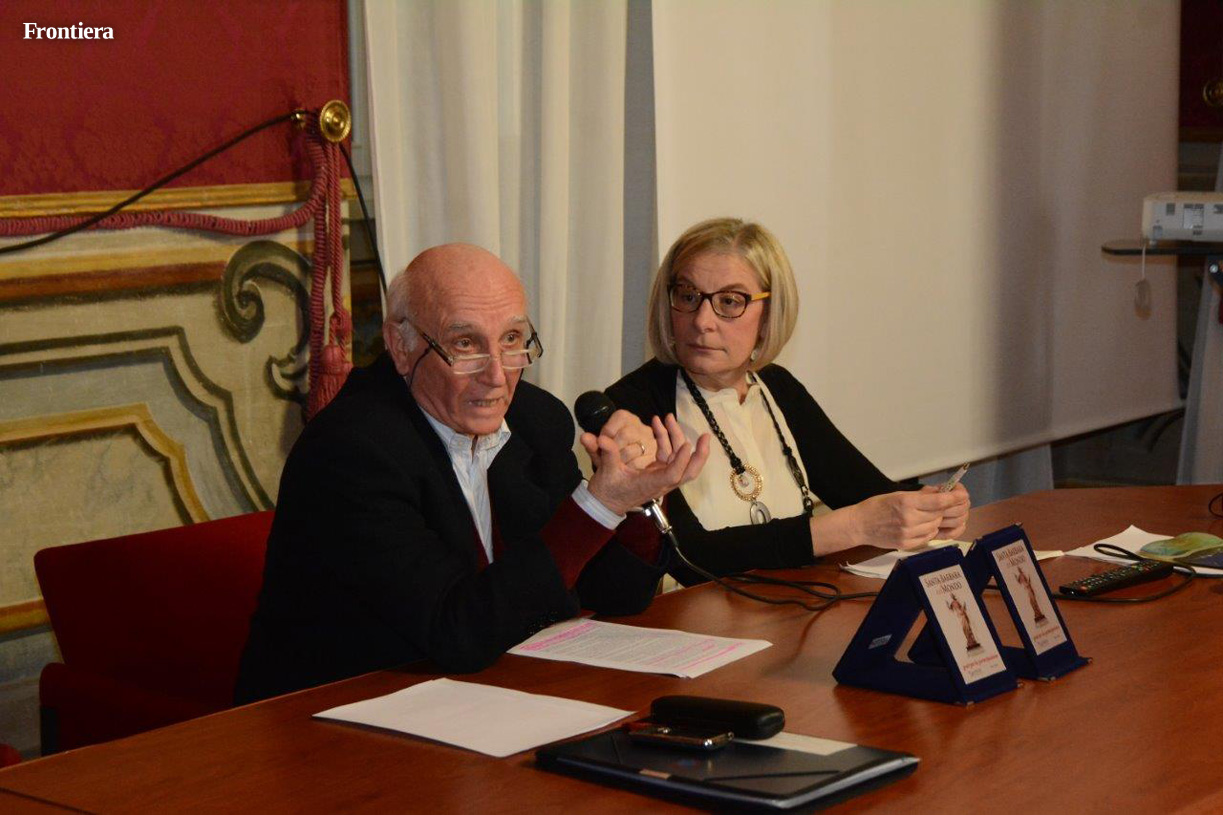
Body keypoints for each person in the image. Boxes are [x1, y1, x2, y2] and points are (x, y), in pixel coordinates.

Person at [235, 244, 709, 703]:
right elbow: (456, 632)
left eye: (511, 341)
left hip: (485, 696)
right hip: (335, 713)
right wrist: (598, 506)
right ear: (401, 346)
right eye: (465, 345)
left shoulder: (534, 420)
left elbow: (615, 593)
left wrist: (637, 497)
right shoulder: (352, 451)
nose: (497, 376)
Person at [605, 218, 970, 585]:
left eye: (729, 302)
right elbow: (689, 556)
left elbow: (864, 492)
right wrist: (850, 526)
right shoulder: (630, 406)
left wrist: (931, 504)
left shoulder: (777, 387)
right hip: (693, 614)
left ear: (769, 315)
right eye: (688, 296)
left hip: (792, 604)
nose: (702, 321)